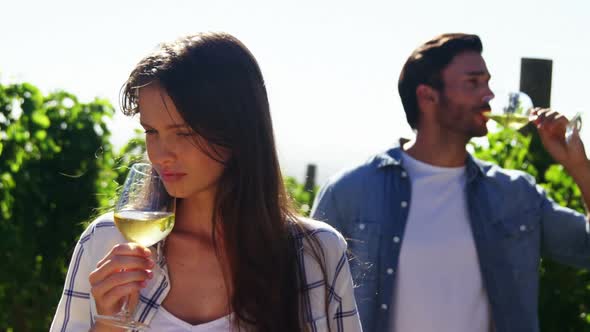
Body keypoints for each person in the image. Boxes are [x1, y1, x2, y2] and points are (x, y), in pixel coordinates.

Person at [51, 32, 362, 332]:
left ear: (236, 131)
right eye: (151, 131)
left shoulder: (315, 253)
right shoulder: (106, 242)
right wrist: (107, 326)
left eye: (183, 133)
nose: (161, 155)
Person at [311, 33, 590, 332]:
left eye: (487, 82)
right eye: (473, 82)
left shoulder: (514, 193)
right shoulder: (350, 191)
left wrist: (578, 166)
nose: (489, 95)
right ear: (427, 96)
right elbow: (305, 296)